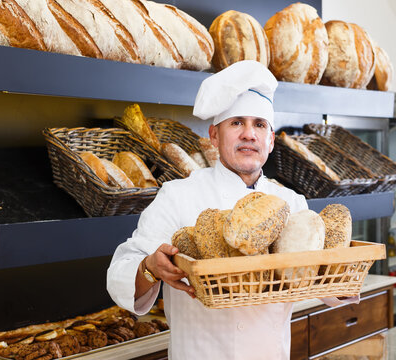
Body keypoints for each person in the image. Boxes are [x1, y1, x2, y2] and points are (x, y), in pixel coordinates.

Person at [107, 60, 357, 360]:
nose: (249, 134)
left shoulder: (292, 205)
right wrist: (149, 267)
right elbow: (120, 273)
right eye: (237, 122)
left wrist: (344, 279)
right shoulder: (177, 196)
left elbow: (321, 283)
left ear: (270, 140)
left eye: (259, 125)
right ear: (214, 135)